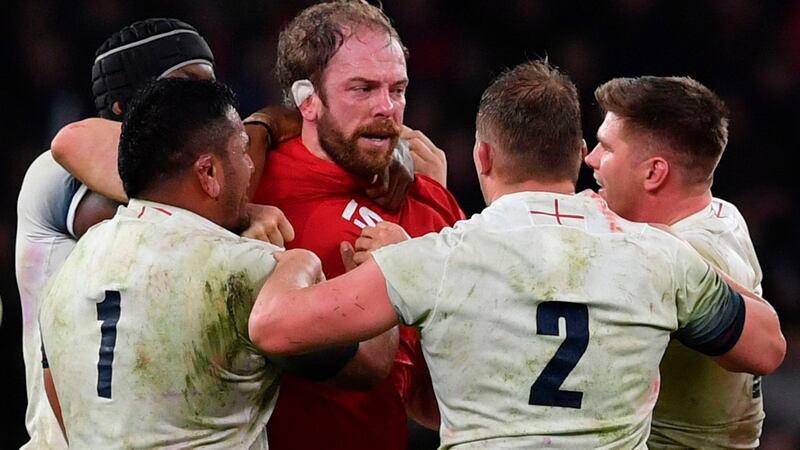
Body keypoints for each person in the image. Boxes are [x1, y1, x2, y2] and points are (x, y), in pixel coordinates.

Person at [247, 59, 786, 448]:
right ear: (577, 156)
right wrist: (666, 262)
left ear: (480, 155)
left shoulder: (434, 259)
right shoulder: (658, 258)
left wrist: (298, 261)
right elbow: (766, 349)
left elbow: (274, 327)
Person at [38, 77, 359, 448]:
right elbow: (368, 365)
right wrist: (328, 265)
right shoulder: (245, 271)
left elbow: (58, 400)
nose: (251, 168)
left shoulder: (69, 269)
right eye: (242, 151)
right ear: (208, 173)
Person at [251, 2, 463, 449]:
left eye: (398, 89)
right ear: (308, 100)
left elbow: (440, 398)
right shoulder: (251, 182)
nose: (387, 108)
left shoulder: (429, 203)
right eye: (362, 89)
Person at [13, 18, 227, 449]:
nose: (205, 102)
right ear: (124, 108)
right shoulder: (53, 172)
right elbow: (149, 209)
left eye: (210, 85)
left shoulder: (209, 172)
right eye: (185, 85)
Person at [584, 76, 773, 449]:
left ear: (654, 173)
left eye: (606, 147)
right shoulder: (721, 212)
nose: (589, 158)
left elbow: (768, 349)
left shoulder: (678, 256)